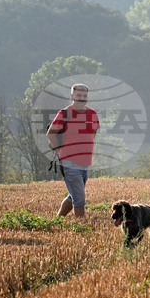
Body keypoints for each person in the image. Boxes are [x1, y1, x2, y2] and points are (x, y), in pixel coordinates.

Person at [46, 83, 100, 219]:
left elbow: (93, 133)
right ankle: (81, 228)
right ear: (72, 96)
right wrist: (60, 149)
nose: (82, 98)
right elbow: (51, 134)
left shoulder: (92, 113)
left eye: (84, 96)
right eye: (78, 95)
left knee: (74, 195)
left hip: (85, 162)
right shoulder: (64, 113)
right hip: (69, 162)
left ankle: (57, 219)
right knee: (79, 198)